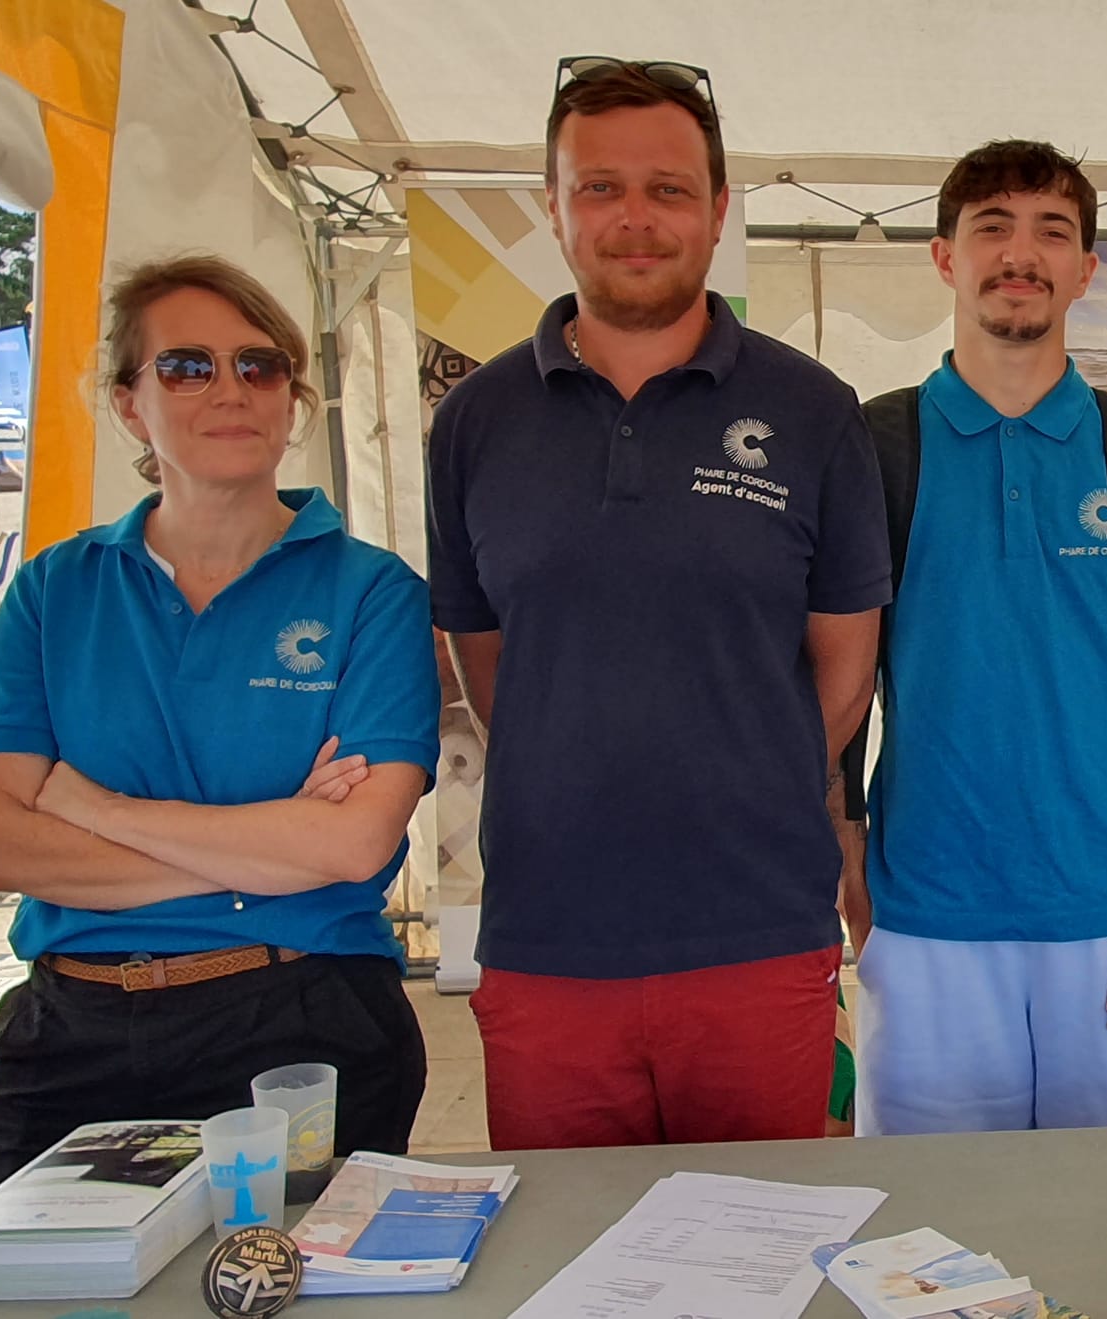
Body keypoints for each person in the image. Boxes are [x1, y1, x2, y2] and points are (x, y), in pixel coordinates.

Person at [425, 58, 889, 1150]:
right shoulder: (476, 421)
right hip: (547, 936)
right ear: (552, 206)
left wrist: (747, 770)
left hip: (757, 926)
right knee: (566, 1261)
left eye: (669, 189)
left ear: (718, 210)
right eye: (598, 187)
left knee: (764, 1246)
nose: (634, 219)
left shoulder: (812, 410)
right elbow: (485, 658)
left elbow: (845, 664)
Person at [0, 254, 437, 1193]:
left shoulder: (372, 593)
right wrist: (262, 849)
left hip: (300, 1020)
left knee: (289, 1288)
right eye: (187, 366)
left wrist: (88, 803)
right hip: (73, 1028)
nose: (230, 389)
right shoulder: (55, 590)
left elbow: (351, 842)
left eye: (259, 366)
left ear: (291, 399)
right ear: (130, 403)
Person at [844, 140, 1107, 1135]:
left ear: (1085, 270)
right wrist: (840, 846)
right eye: (991, 229)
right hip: (925, 912)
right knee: (927, 1247)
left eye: (1051, 232)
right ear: (942, 256)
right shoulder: (870, 446)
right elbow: (831, 680)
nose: (1021, 254)